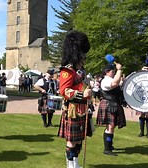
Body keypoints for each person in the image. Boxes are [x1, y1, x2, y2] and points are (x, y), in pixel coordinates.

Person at [57, 30, 92, 168]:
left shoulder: (78, 71)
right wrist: (82, 94)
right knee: (71, 141)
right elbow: (64, 91)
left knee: (78, 140)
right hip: (73, 110)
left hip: (82, 109)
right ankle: (71, 165)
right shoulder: (67, 70)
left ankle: (75, 164)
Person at [96, 62, 126, 156]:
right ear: (107, 72)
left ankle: (109, 145)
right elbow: (114, 83)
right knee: (110, 126)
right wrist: (119, 70)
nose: (113, 73)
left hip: (113, 104)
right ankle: (107, 149)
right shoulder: (106, 81)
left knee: (112, 126)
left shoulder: (109, 79)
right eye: (112, 71)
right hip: (109, 104)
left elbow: (118, 83)